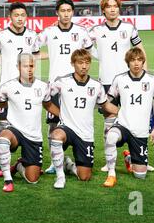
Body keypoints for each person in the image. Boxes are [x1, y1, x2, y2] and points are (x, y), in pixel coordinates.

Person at [88, 0, 151, 172]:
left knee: (136, 119)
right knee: (110, 120)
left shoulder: (129, 28)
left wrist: (145, 74)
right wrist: (97, 54)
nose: (112, 9)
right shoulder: (96, 30)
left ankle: (137, 157)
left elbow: (140, 50)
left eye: (115, 6)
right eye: (109, 6)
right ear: (103, 10)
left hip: (130, 81)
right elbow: (81, 41)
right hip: (107, 82)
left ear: (119, 8)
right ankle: (110, 162)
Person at [37, 0, 93, 174]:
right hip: (54, 86)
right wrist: (49, 55)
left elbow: (89, 52)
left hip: (77, 87)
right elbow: (32, 47)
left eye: (69, 11)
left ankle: (79, 154)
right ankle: (56, 161)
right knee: (53, 123)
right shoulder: (49, 31)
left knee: (77, 121)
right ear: (57, 13)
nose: (66, 14)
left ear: (73, 13)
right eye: (62, 11)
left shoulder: (81, 32)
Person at [49, 49, 118, 189]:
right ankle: (60, 176)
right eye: (80, 63)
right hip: (67, 129)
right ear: (73, 64)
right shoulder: (62, 82)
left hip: (85, 134)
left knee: (84, 176)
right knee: (56, 135)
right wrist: (60, 114)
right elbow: (45, 100)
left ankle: (67, 164)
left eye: (87, 62)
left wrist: (124, 114)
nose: (84, 66)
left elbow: (105, 105)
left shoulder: (96, 86)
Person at [0, 2, 41, 176]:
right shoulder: (1, 36)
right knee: (4, 125)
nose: (19, 18)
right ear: (10, 17)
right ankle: (4, 166)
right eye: (16, 15)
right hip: (6, 89)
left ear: (26, 17)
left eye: (22, 15)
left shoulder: (32, 35)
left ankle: (26, 159)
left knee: (28, 122)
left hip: (28, 89)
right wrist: (5, 62)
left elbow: (37, 56)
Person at [0, 53, 60, 192]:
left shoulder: (43, 87)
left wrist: (65, 117)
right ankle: (8, 179)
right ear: (18, 67)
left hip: (33, 136)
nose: (29, 69)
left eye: (31, 66)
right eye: (25, 66)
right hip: (14, 130)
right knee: (3, 137)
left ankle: (18, 166)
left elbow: (48, 106)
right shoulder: (7, 86)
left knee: (32, 179)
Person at [103, 48, 154, 187]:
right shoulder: (120, 79)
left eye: (139, 60)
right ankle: (111, 174)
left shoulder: (153, 80)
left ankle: (130, 158)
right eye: (132, 60)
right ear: (128, 62)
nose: (136, 63)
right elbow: (107, 99)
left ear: (143, 62)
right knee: (111, 137)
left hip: (141, 131)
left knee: (140, 175)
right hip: (123, 125)